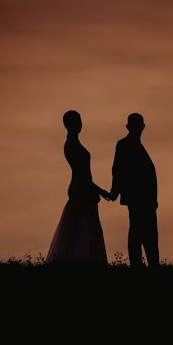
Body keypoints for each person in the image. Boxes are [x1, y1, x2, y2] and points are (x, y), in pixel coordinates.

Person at [46, 110, 111, 265]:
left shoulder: (74, 144)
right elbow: (82, 175)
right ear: (68, 125)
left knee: (84, 228)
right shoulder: (71, 145)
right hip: (80, 189)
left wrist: (96, 190)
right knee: (81, 229)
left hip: (84, 188)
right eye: (77, 121)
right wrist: (100, 190)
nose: (80, 124)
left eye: (80, 121)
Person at [108, 113, 160, 268]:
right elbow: (118, 169)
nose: (139, 128)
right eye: (136, 125)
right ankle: (139, 264)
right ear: (128, 127)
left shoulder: (135, 145)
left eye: (140, 125)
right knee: (139, 232)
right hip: (138, 198)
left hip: (147, 200)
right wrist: (115, 190)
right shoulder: (124, 145)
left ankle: (152, 263)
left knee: (147, 233)